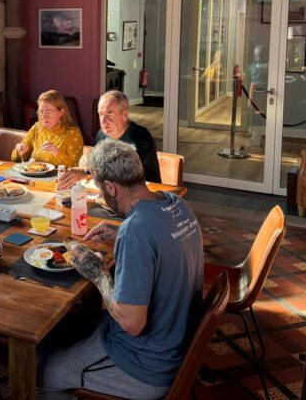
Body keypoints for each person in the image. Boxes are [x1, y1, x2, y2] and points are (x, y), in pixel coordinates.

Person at [39, 140, 203, 399]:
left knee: (45, 372)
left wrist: (97, 273)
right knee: (67, 329)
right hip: (176, 338)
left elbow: (132, 322)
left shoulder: (136, 229)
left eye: (100, 188)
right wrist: (120, 235)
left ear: (111, 188)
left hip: (146, 363)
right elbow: (161, 241)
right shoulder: (175, 205)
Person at [57, 90, 160, 189]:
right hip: (113, 191)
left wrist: (85, 172)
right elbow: (97, 164)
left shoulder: (139, 136)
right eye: (100, 114)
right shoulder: (101, 135)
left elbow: (123, 170)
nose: (103, 120)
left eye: (109, 113)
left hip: (144, 193)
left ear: (125, 115)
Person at [12, 90, 84, 167]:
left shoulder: (73, 133)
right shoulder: (37, 128)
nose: (43, 116)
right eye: (41, 111)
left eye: (49, 112)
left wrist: (57, 153)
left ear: (61, 112)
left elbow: (75, 166)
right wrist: (20, 151)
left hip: (60, 178)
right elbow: (14, 159)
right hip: (34, 174)